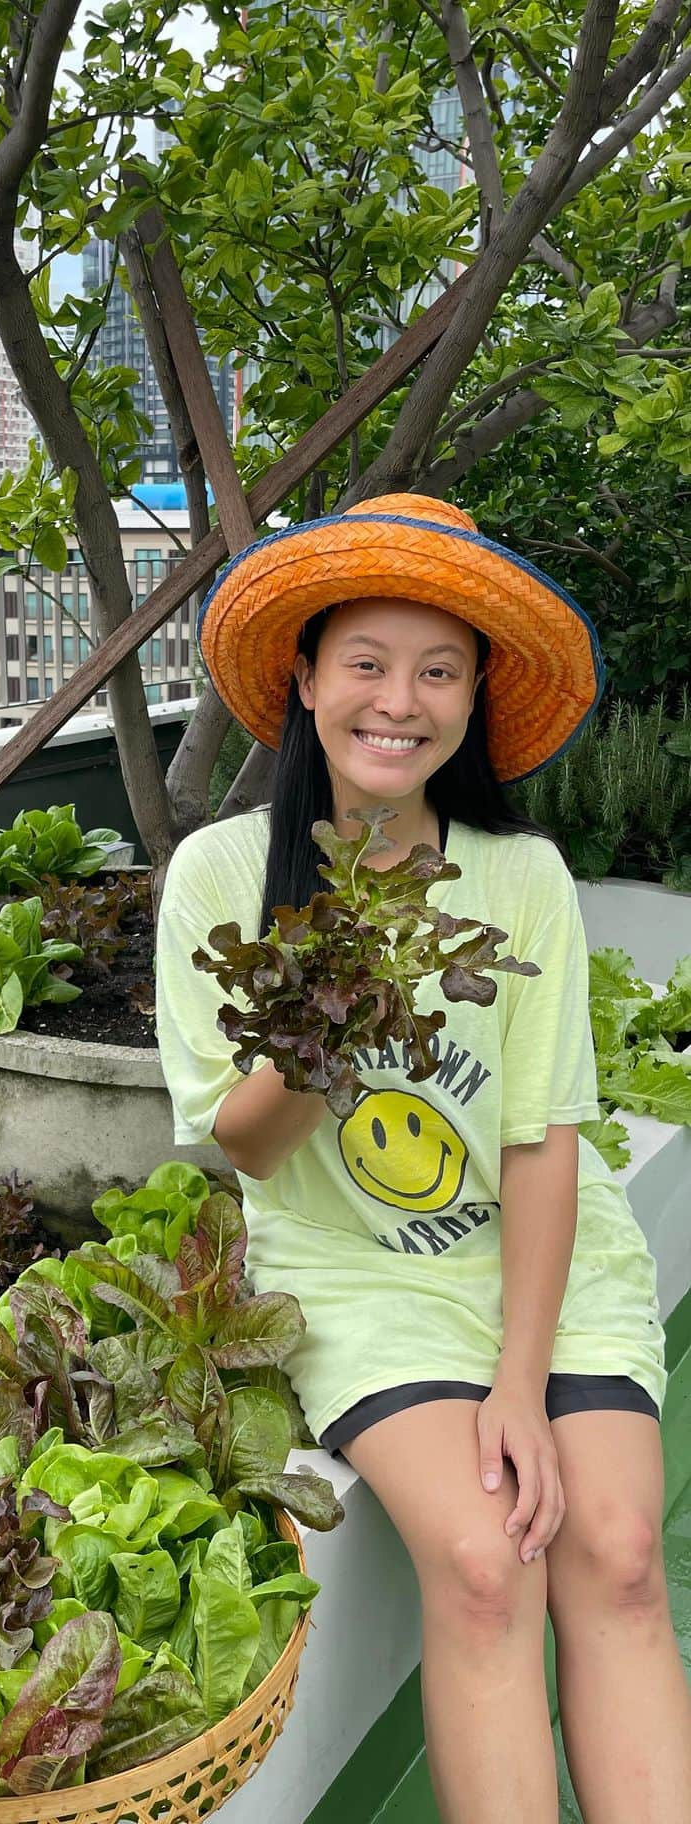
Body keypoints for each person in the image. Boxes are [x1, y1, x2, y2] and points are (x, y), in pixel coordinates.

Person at [154, 493, 691, 1823]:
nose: (402, 702)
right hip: (351, 1271)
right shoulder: (222, 875)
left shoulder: (525, 881)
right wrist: (334, 986)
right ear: (306, 677)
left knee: (618, 1554)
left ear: (470, 701)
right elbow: (248, 1146)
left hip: (547, 1264)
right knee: (481, 1558)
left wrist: (522, 1382)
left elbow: (546, 1142)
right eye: (369, 665)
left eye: (439, 671)